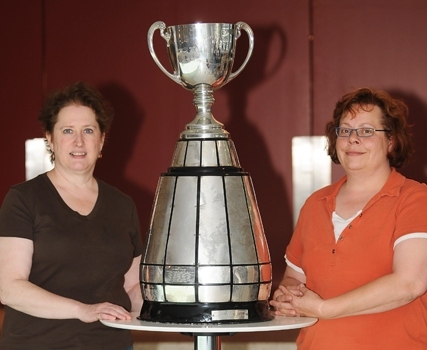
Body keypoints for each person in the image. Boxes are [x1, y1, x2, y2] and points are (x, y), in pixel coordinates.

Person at [270, 87, 427, 349]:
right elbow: (295, 278)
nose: (353, 139)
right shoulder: (315, 204)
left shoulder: (415, 198)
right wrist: (288, 297)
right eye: (345, 130)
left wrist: (324, 308)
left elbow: (409, 283)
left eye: (367, 131)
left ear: (391, 141)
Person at [0, 82, 144, 349]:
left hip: (112, 344)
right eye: (67, 131)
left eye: (88, 130)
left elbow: (133, 288)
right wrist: (83, 310)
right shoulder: (23, 199)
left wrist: (174, 308)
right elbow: (9, 287)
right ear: (50, 139)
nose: (79, 141)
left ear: (101, 139)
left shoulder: (123, 205)